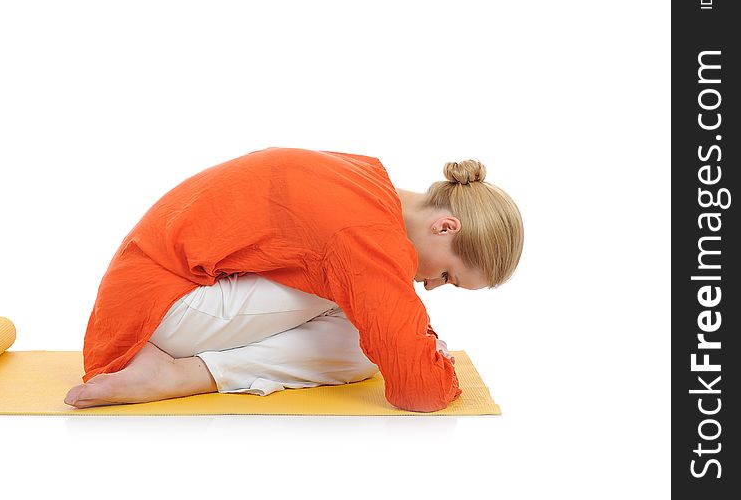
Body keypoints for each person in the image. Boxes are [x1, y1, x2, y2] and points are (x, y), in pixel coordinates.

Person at [64, 147, 523, 412]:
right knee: (369, 332)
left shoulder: (366, 179)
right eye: (447, 274)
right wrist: (430, 357)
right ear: (445, 227)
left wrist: (412, 343)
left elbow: (392, 330)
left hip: (167, 297)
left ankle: (183, 371)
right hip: (163, 308)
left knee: (364, 345)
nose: (431, 285)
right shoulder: (367, 237)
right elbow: (420, 391)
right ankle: (176, 373)